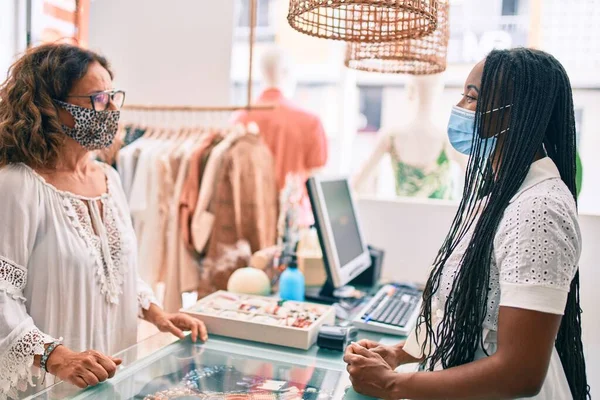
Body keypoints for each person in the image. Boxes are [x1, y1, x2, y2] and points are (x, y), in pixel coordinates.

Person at [344, 48, 590, 399]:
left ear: (515, 115)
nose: (459, 107)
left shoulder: (540, 210)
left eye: (472, 97)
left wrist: (391, 383)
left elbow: (521, 372)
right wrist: (399, 355)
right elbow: (469, 319)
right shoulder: (497, 198)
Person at [0, 44, 207, 399]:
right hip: (51, 387)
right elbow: (3, 295)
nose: (112, 109)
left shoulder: (109, 179)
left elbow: (119, 271)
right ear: (51, 106)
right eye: (98, 99)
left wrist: (158, 314)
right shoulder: (18, 184)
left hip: (110, 383)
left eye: (113, 96)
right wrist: (57, 357)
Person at [234, 45, 328, 227]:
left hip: (248, 224)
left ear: (262, 73)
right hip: (293, 224)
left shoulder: (240, 119)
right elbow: (316, 184)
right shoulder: (310, 122)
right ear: (286, 73)